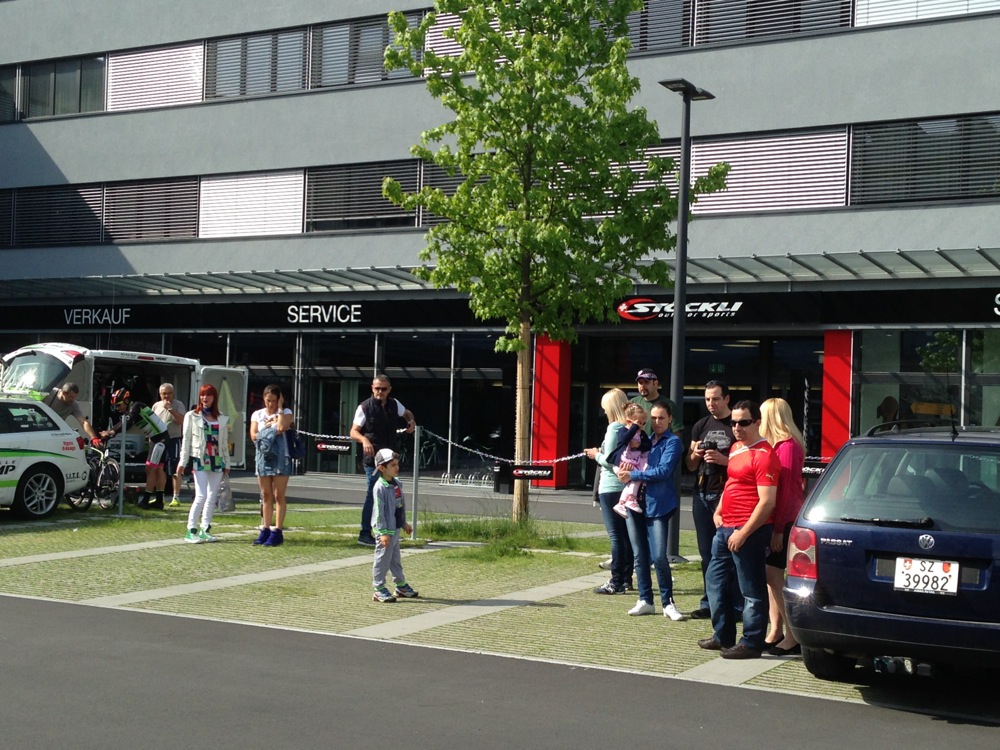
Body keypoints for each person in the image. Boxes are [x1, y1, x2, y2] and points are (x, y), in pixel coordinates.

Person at [697, 400, 779, 659]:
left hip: (749, 530)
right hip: (726, 527)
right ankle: (723, 635)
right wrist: (719, 510)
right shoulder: (735, 448)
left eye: (743, 422)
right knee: (715, 582)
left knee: (751, 588)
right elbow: (732, 482)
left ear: (757, 422)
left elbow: (767, 501)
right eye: (733, 423)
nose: (737, 428)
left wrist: (744, 532)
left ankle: (752, 642)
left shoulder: (765, 455)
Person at [616, 403, 685, 620]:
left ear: (670, 419)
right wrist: (622, 469)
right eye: (653, 418)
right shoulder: (643, 438)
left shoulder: (672, 442)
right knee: (639, 555)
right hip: (634, 501)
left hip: (658, 504)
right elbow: (621, 452)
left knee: (659, 556)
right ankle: (645, 599)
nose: (656, 422)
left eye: (661, 418)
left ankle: (668, 602)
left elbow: (664, 471)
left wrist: (633, 475)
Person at [685, 379, 738, 619]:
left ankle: (735, 604)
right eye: (707, 399)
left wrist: (723, 460)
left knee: (731, 551)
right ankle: (709, 603)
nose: (711, 403)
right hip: (702, 492)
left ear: (727, 399)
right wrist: (696, 454)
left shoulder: (737, 425)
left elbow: (748, 460)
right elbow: (689, 465)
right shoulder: (700, 425)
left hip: (726, 494)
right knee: (706, 552)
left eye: (715, 399)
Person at [759, 397, 806, 656]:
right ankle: (776, 630)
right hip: (782, 518)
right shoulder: (783, 445)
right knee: (772, 576)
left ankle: (791, 635)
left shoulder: (786, 447)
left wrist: (778, 529)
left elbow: (787, 492)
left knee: (774, 575)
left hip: (784, 519)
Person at [350, 374, 415, 547]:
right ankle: (365, 533)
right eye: (377, 388)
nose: (380, 392)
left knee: (393, 495)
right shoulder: (365, 407)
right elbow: (353, 431)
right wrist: (364, 440)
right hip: (374, 460)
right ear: (372, 388)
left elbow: (407, 413)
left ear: (389, 389)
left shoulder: (394, 404)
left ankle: (392, 530)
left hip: (391, 459)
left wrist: (411, 421)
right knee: (373, 496)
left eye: (383, 389)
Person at [583, 388, 634, 595]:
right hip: (624, 487)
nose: (604, 412)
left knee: (616, 536)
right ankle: (626, 578)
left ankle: (616, 580)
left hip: (611, 486)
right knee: (626, 536)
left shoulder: (614, 428)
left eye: (605, 408)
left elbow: (611, 460)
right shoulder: (628, 428)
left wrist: (596, 454)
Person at [176, 384, 231, 543]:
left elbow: (224, 442)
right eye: (202, 395)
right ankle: (191, 529)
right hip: (200, 459)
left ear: (214, 398)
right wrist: (182, 462)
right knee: (201, 495)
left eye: (208, 395)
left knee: (212, 496)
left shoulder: (221, 417)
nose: (205, 398)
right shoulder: (192, 416)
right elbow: (186, 440)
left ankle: (205, 529)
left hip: (217, 460)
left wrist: (227, 463)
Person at [100, 387, 170, 509]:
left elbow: (127, 422)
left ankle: (146, 501)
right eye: (115, 406)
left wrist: (111, 432)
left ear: (126, 401)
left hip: (160, 439)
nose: (118, 408)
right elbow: (123, 422)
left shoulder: (136, 406)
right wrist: (111, 432)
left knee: (150, 469)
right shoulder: (131, 409)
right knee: (158, 470)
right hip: (157, 438)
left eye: (119, 405)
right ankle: (159, 501)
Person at [370, 448, 419, 603]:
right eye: (393, 465)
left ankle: (400, 585)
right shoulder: (380, 487)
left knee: (395, 559)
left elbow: (399, 506)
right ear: (381, 468)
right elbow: (379, 512)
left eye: (397, 464)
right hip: (385, 531)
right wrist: (383, 532)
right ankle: (378, 588)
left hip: (395, 529)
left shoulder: (397, 484)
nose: (397, 467)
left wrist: (403, 523)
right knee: (382, 560)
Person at [250, 384, 293, 547]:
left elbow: (282, 427)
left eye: (274, 401)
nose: (271, 404)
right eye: (268, 400)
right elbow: (253, 435)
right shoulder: (258, 414)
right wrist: (270, 429)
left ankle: (278, 530)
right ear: (264, 399)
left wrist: (280, 410)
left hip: (281, 456)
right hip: (263, 455)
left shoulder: (286, 412)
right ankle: (265, 529)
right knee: (266, 494)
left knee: (278, 494)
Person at [612, 403, 650, 518]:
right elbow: (623, 440)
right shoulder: (623, 430)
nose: (641, 427)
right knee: (637, 477)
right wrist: (634, 428)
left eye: (643, 423)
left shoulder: (642, 434)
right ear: (629, 421)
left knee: (633, 480)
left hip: (633, 462)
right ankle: (631, 499)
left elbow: (648, 445)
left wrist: (638, 445)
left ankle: (621, 503)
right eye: (639, 423)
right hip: (621, 462)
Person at [152, 382, 186, 508]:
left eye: (169, 393)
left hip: (173, 439)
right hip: (159, 441)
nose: (166, 396)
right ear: (160, 394)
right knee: (159, 469)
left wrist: (170, 409)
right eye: (164, 394)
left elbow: (182, 421)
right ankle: (159, 496)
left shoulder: (178, 405)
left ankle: (176, 497)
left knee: (175, 469)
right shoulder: (156, 406)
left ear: (174, 393)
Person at [631, 368, 682, 436]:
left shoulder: (669, 405)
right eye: (640, 383)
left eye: (646, 382)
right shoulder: (632, 403)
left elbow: (676, 432)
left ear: (655, 383)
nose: (642, 386)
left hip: (661, 442)